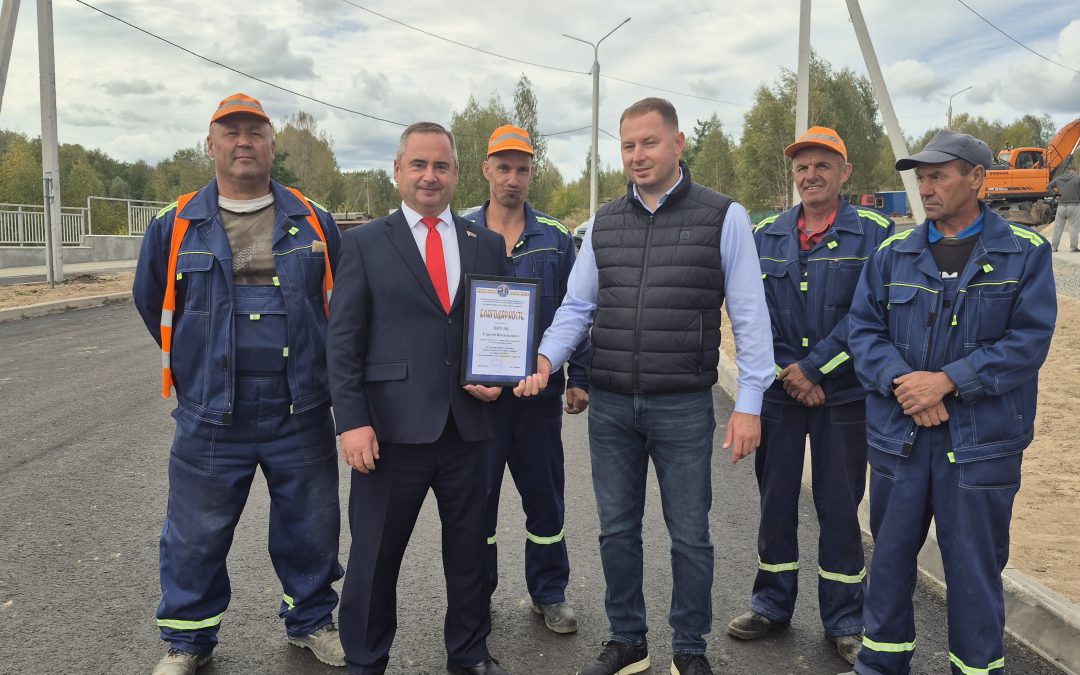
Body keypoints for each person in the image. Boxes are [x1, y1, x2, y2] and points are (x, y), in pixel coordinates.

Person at [514, 97, 774, 675]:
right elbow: (577, 306)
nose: (637, 155)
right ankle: (628, 639)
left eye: (649, 143)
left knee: (690, 536)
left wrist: (750, 402)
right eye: (627, 145)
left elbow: (751, 317)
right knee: (616, 531)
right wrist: (544, 360)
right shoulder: (604, 222)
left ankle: (689, 647)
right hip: (609, 405)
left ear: (677, 144)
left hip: (682, 404)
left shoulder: (723, 216)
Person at [133, 93, 345, 675]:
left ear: (273, 145)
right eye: (231, 132)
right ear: (211, 144)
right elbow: (153, 300)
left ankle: (310, 621)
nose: (243, 141)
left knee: (310, 524)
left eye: (255, 132)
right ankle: (188, 641)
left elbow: (341, 304)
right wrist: (199, 367)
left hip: (299, 406)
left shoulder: (311, 217)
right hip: (210, 412)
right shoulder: (175, 222)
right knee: (195, 532)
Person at [843, 130, 1056, 675]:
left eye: (938, 175)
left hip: (982, 446)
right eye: (921, 177)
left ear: (978, 179)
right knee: (888, 565)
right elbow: (863, 331)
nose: (925, 187)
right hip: (900, 440)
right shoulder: (894, 253)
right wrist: (904, 383)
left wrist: (948, 382)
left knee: (974, 572)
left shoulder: (1025, 253)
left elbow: (1028, 343)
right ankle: (880, 666)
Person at [326, 122, 510, 675]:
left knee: (471, 554)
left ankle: (469, 654)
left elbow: (497, 328)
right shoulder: (361, 243)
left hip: (469, 429)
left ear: (457, 173)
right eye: (419, 165)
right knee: (374, 559)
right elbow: (342, 342)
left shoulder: (488, 244)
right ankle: (364, 658)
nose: (430, 176)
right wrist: (351, 421)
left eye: (442, 166)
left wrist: (499, 376)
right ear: (398, 172)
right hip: (388, 434)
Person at [727, 127, 893, 666]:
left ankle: (845, 618)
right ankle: (771, 605)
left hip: (844, 396)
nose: (810, 175)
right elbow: (749, 312)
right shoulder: (765, 234)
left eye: (822, 165)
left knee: (840, 506)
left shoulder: (875, 233)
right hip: (780, 393)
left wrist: (817, 369)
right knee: (775, 501)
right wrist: (786, 372)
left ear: (845, 172)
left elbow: (873, 315)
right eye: (802, 167)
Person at [461, 124, 588, 634]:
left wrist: (576, 375)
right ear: (486, 170)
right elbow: (446, 313)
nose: (513, 178)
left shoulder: (555, 237)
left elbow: (576, 310)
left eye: (523, 168)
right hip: (480, 399)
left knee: (544, 496)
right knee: (478, 500)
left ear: (532, 173)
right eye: (504, 167)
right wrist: (462, 379)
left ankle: (549, 591)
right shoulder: (461, 231)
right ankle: (477, 595)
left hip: (539, 398)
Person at [1047, 164, 1080, 252]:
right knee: (1073, 227)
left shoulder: (1059, 178)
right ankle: (1073, 248)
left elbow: (1048, 187)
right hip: (1074, 206)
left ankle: (1053, 247)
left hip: (1061, 206)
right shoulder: (1077, 178)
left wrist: (1055, 194)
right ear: (1075, 171)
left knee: (1058, 227)